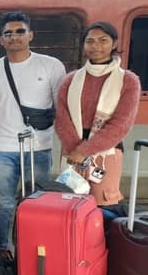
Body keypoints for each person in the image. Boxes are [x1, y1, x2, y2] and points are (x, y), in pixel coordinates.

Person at [0, 11, 66, 250]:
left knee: (37, 202)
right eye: (8, 33)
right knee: (3, 204)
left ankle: (34, 249)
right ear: (1, 40)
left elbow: (61, 107)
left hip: (39, 146)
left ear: (31, 35)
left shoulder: (51, 66)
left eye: (20, 31)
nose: (14, 36)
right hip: (4, 147)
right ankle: (1, 251)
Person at [54, 21, 140, 205]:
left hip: (105, 153)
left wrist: (84, 151)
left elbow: (121, 124)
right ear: (84, 45)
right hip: (71, 150)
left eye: (103, 40)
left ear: (114, 44)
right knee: (70, 203)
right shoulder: (70, 80)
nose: (96, 46)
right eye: (90, 41)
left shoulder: (128, 81)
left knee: (102, 205)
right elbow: (62, 119)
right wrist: (76, 152)